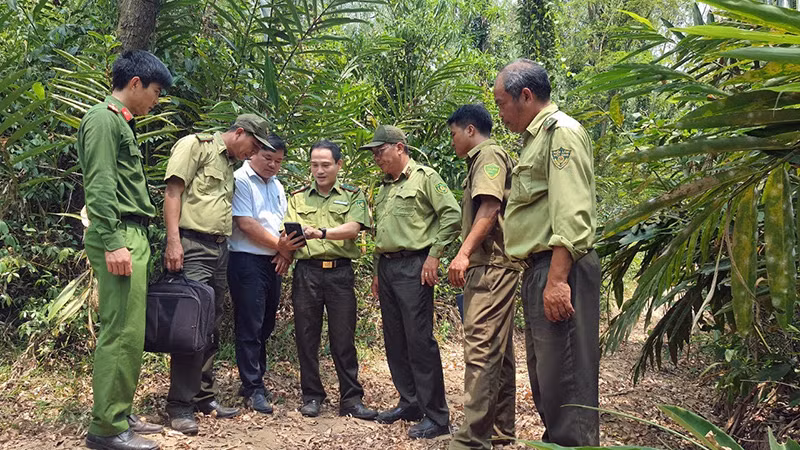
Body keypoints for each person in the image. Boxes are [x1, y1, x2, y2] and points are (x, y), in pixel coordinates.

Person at [493, 59, 601, 446]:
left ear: (526, 95)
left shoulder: (561, 134)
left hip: (560, 267)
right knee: (548, 380)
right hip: (541, 268)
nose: (500, 113)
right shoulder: (536, 138)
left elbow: (571, 212)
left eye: (502, 103)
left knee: (568, 382)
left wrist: (557, 279)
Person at [78, 50, 171, 450]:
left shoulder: (122, 124)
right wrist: (114, 241)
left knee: (131, 332)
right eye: (154, 91)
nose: (156, 100)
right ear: (135, 84)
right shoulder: (103, 119)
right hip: (118, 235)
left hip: (131, 234)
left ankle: (120, 411)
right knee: (119, 333)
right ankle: (107, 429)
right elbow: (99, 185)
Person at [162, 114, 272, 434]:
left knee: (211, 324)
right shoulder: (196, 146)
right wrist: (173, 242)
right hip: (191, 243)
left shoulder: (228, 163)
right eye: (253, 145)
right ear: (239, 132)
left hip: (219, 249)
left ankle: (202, 395)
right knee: (190, 325)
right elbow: (172, 193)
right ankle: (179, 405)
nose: (253, 154)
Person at [361, 125, 461, 439]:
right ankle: (410, 402)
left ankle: (437, 415)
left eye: (381, 150)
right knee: (395, 339)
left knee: (419, 341)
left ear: (400, 147)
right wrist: (378, 271)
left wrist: (434, 255)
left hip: (415, 267)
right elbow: (383, 234)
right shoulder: (384, 186)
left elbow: (452, 215)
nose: (377, 157)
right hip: (388, 268)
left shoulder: (425, 178)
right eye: (374, 152)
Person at [284, 140, 378, 420]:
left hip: (339, 273)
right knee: (306, 335)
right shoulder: (298, 196)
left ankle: (351, 399)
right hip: (307, 273)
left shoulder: (353, 194)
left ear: (339, 165)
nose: (320, 170)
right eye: (314, 165)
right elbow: (288, 230)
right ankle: (311, 396)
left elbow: (353, 229)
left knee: (343, 338)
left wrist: (322, 232)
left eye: (326, 165)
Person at [445, 104, 520, 450]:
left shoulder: (488, 155)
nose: (453, 142)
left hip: (490, 264)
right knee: (498, 352)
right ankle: (499, 430)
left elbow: (489, 208)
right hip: (495, 264)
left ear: (470, 130)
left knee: (481, 349)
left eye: (454, 134)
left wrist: (463, 253)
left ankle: (471, 439)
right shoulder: (484, 158)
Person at [227, 134, 305, 414]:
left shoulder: (278, 185)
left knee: (265, 323)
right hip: (246, 259)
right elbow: (245, 223)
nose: (273, 165)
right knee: (249, 323)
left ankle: (254, 374)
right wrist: (280, 247)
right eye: (268, 158)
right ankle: (252, 387)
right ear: (253, 154)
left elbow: (281, 223)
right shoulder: (241, 180)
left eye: (278, 161)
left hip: (272, 260)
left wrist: (284, 253)